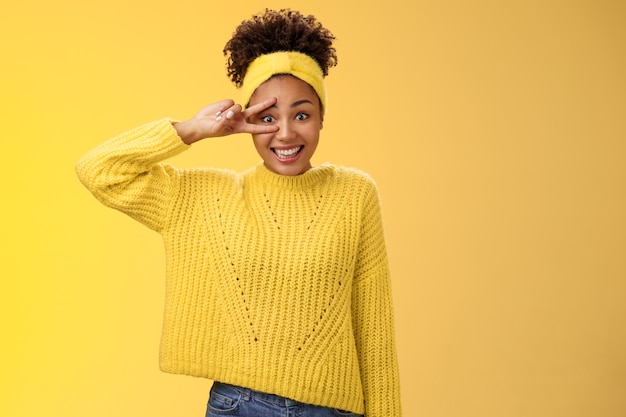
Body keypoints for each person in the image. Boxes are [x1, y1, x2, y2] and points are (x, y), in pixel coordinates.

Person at [76, 8, 401, 417]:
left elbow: (374, 325)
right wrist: (193, 129)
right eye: (267, 117)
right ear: (247, 120)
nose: (284, 133)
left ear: (322, 118)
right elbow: (100, 171)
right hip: (241, 406)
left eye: (301, 114)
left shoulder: (355, 194)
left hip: (332, 409)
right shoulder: (207, 196)